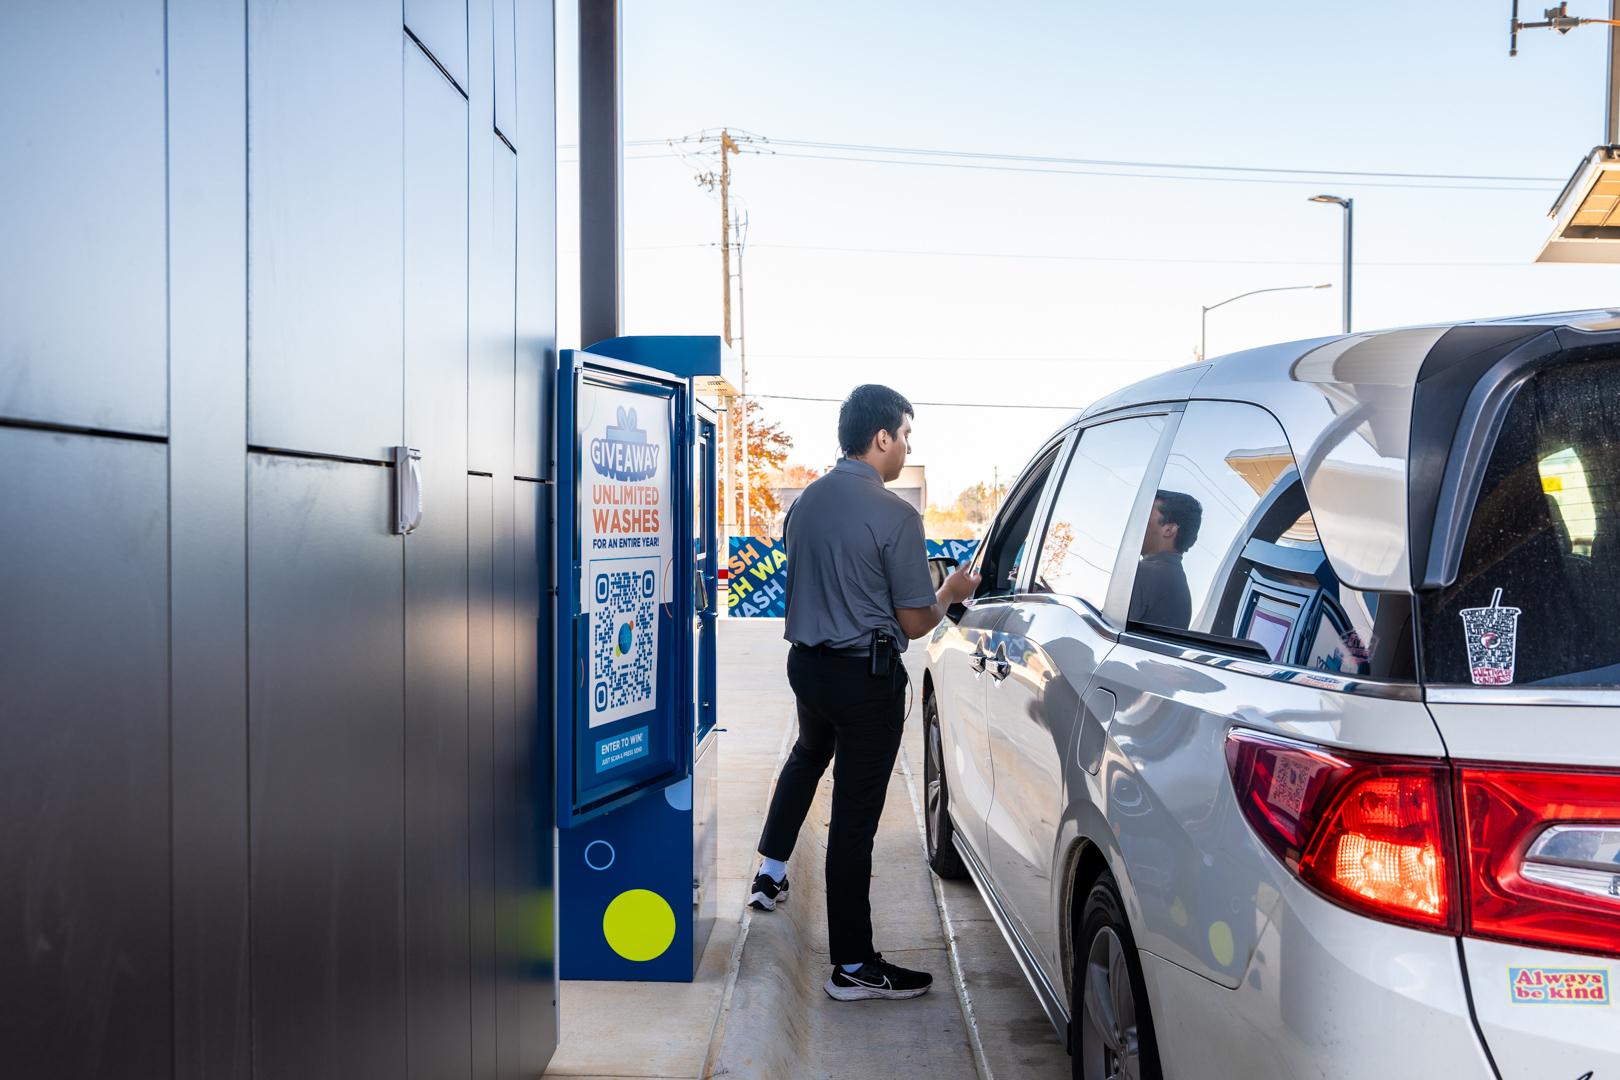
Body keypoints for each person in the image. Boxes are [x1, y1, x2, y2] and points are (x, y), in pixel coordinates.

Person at [749, 384, 980, 1002]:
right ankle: (852, 966)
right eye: (906, 435)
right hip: (865, 680)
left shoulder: (806, 504)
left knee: (806, 757)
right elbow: (914, 622)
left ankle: (769, 874)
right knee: (853, 826)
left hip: (810, 669)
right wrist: (951, 591)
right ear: (882, 438)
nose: (906, 447)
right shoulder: (897, 515)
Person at [1128, 489, 1202, 630]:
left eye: (1147, 514)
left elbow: (1103, 633)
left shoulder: (1143, 574)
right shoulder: (1181, 590)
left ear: (1169, 530)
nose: (1139, 521)